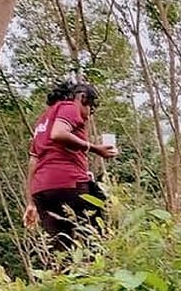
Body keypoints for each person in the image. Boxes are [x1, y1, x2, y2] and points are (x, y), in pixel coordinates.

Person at [23, 79, 118, 250]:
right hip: (69, 182)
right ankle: (98, 271)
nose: (88, 114)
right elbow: (58, 133)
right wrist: (94, 148)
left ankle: (65, 274)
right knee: (99, 228)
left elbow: (33, 161)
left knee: (61, 247)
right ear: (81, 97)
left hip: (42, 191)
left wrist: (30, 202)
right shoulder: (69, 107)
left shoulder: (43, 121)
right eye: (89, 107)